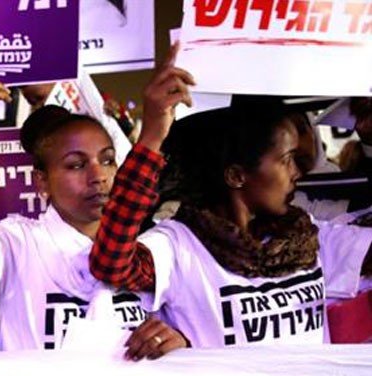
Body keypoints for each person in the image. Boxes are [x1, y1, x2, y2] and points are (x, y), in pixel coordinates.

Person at [88, 45, 372, 347]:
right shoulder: (179, 246)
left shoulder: (310, 238)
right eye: (287, 159)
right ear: (237, 175)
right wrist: (152, 137)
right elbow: (112, 263)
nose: (297, 174)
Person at [0, 50, 187, 358]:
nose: (98, 176)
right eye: (76, 165)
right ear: (41, 181)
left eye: (107, 160)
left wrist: (178, 342)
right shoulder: (17, 241)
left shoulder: (152, 247)